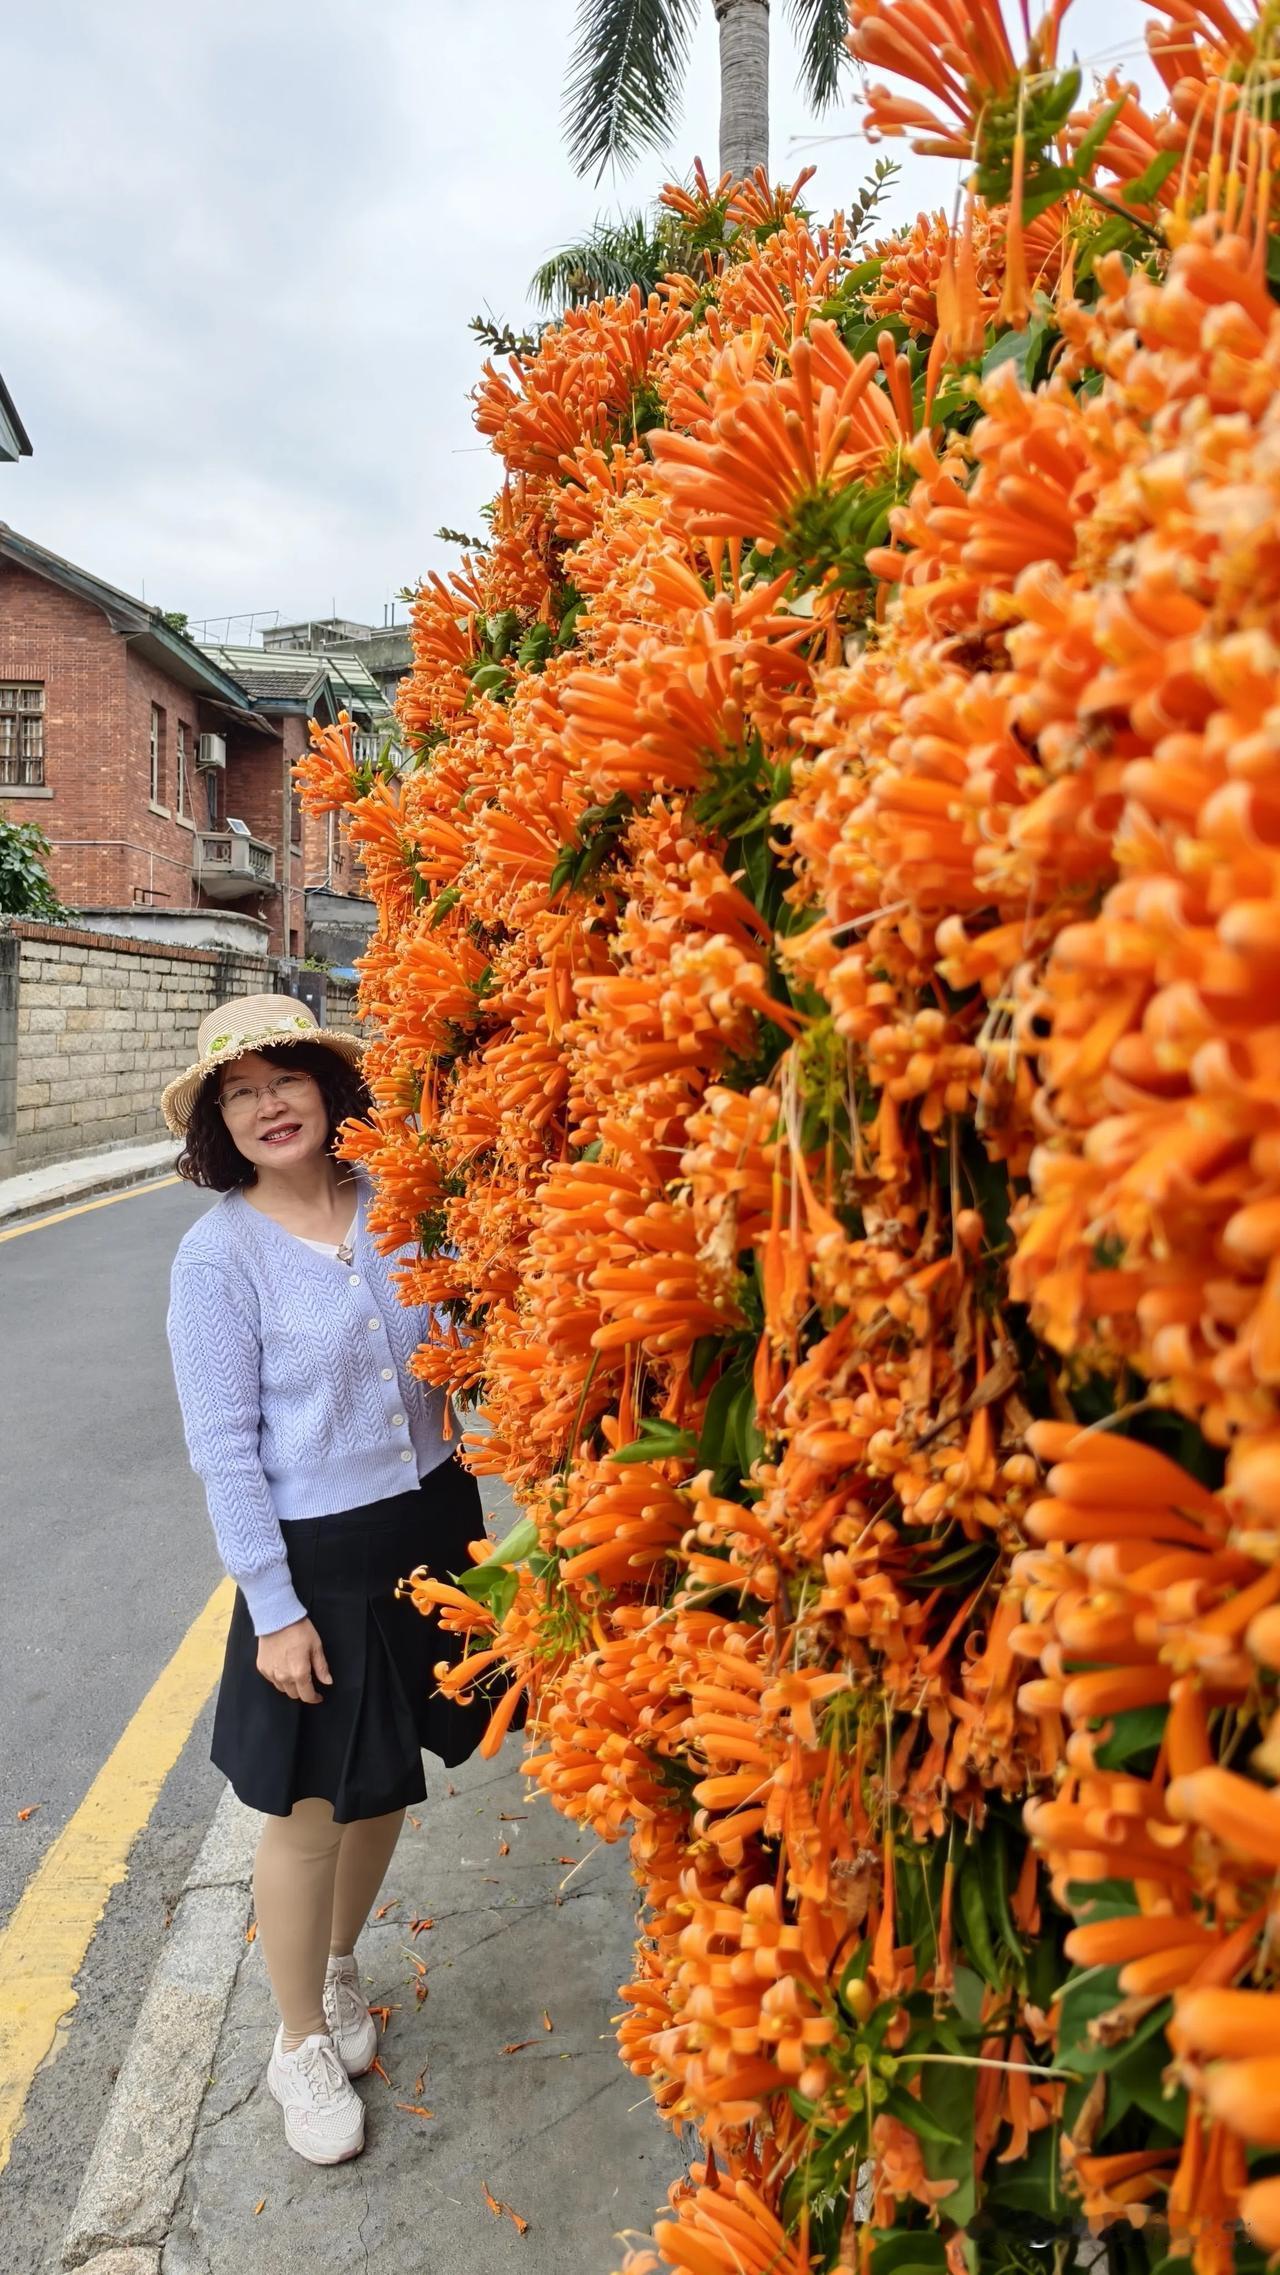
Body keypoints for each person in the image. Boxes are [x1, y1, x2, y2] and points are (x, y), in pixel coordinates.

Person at [163, 992, 493, 2166]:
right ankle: (295, 2037)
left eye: (283, 1079)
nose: (266, 1106)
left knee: (387, 1779)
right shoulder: (219, 1257)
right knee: (305, 1811)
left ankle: (339, 1968)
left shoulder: (400, 1208)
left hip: (431, 1521)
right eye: (238, 1093)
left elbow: (473, 1339)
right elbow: (224, 1445)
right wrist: (274, 1604)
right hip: (316, 1554)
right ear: (219, 1123)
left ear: (326, 1086)